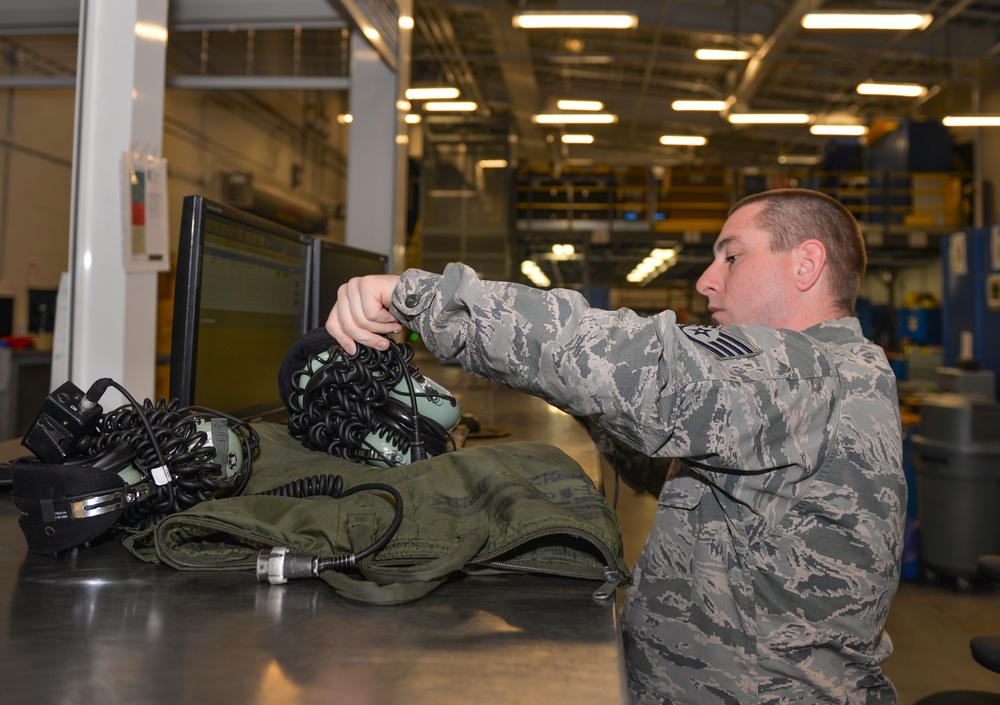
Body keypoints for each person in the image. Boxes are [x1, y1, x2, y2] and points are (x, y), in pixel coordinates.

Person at [325, 188, 906, 705]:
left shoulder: (805, 372)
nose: (708, 279)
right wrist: (588, 398)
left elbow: (647, 367)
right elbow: (680, 467)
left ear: (807, 264)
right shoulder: (834, 375)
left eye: (732, 255)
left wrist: (421, 297)